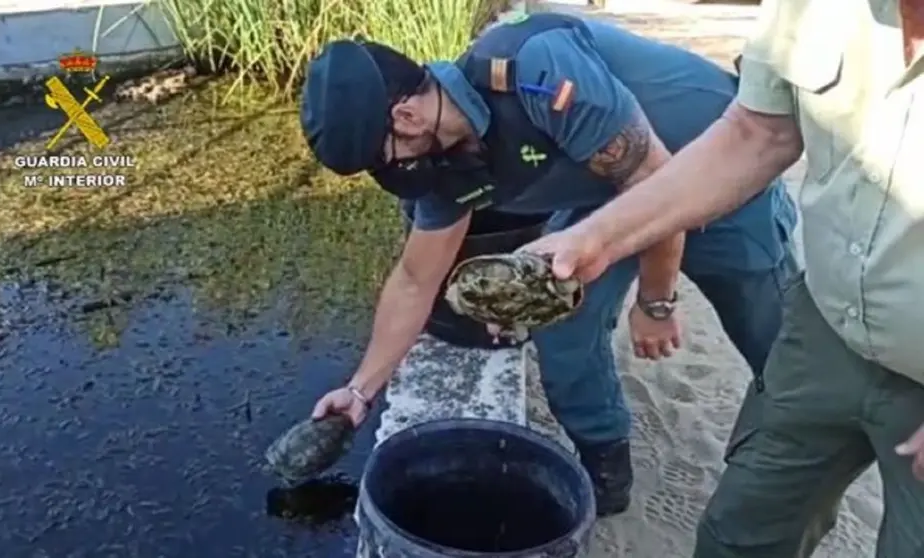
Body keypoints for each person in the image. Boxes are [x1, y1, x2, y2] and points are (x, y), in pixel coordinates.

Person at [297, 11, 799, 518]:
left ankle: (802, 451)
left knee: (774, 336)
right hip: (604, 192)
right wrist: (359, 391)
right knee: (561, 329)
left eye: (381, 157)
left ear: (405, 117)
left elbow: (657, 188)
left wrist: (657, 300)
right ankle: (605, 467)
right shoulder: (445, 159)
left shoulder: (536, 71)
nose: (389, 170)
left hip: (718, 173)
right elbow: (414, 281)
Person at [519, 0, 924, 555]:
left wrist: (656, 300)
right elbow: (755, 134)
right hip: (825, 329)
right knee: (737, 537)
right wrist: (595, 239)